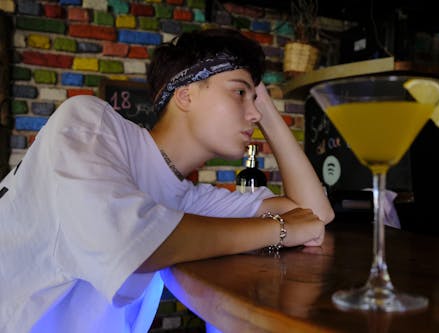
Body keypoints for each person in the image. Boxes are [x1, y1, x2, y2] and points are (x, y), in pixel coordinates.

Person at [0, 28, 334, 332]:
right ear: (185, 95)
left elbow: (314, 214)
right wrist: (280, 229)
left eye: (254, 98)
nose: (254, 113)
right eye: (239, 92)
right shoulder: (89, 122)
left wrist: (269, 113)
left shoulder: (187, 199)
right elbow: (132, 243)